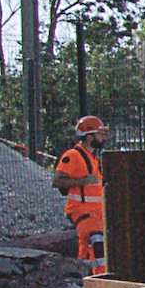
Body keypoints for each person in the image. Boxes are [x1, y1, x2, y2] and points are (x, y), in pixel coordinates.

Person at [51, 116, 110, 275]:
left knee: (87, 250)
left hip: (96, 213)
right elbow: (57, 181)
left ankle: (81, 276)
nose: (103, 138)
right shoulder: (73, 155)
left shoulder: (94, 158)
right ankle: (101, 279)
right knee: (97, 241)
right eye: (100, 134)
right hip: (81, 210)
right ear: (90, 136)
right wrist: (83, 181)